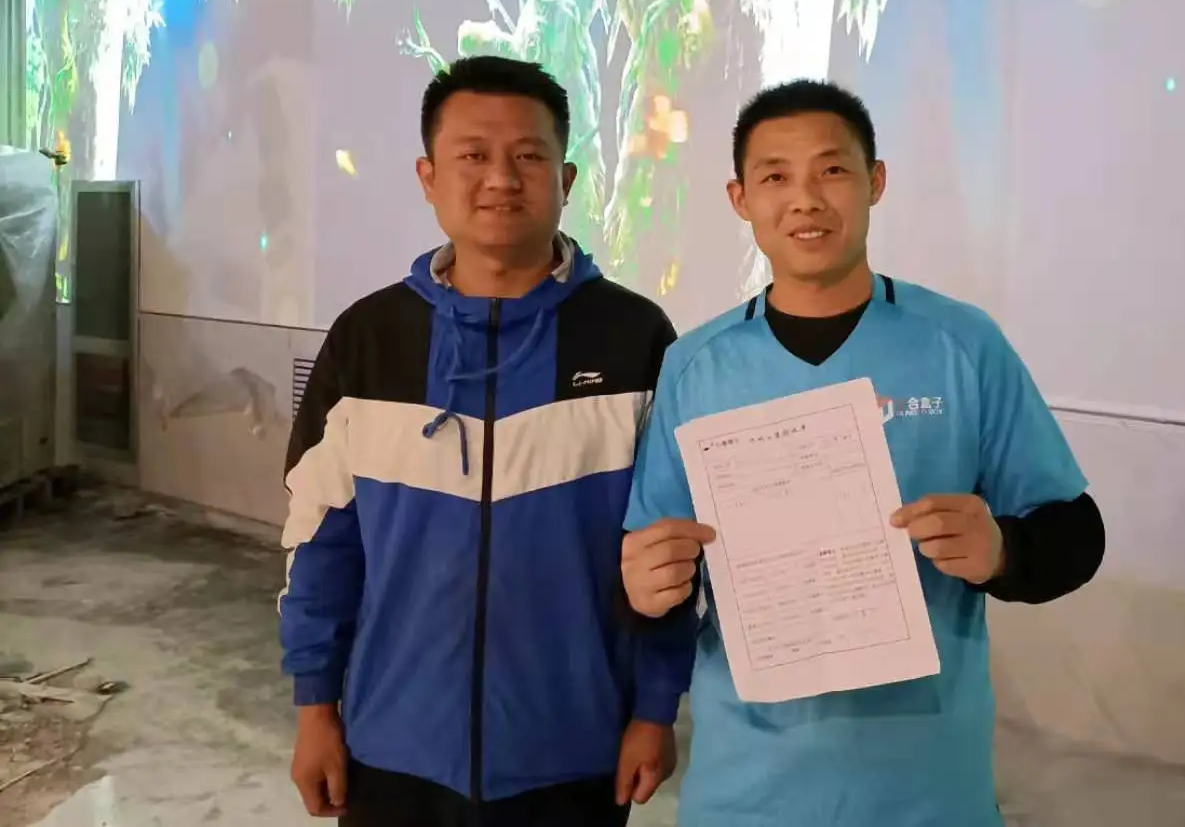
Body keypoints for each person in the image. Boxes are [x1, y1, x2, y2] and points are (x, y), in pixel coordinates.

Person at [620, 79, 1107, 827]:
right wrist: (647, 583)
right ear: (739, 198)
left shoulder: (961, 345)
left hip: (925, 788)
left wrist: (1004, 551)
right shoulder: (696, 366)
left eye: (832, 170)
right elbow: (657, 556)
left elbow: (1075, 532)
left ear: (876, 181)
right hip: (745, 789)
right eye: (775, 177)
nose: (805, 200)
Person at [280, 56, 690, 826]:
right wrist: (315, 708)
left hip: (574, 752)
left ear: (565, 179)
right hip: (389, 747)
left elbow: (667, 550)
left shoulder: (635, 339)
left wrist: (654, 709)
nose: (501, 178)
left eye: (528, 156)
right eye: (473, 155)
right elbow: (323, 544)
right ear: (428, 176)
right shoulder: (369, 340)